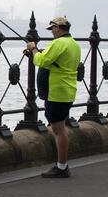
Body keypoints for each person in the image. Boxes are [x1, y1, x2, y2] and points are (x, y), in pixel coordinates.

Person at [25, 16, 80, 178]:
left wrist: (33, 49)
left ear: (58, 28)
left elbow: (42, 61)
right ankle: (61, 165)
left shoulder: (59, 43)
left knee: (58, 129)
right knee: (60, 127)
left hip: (56, 90)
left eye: (52, 29)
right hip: (67, 89)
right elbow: (56, 61)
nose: (52, 32)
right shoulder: (74, 44)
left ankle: (62, 167)